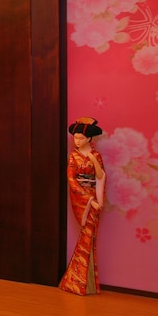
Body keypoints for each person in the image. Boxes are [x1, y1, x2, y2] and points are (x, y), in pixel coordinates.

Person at [59, 117, 106, 295]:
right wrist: (89, 200)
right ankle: (78, 281)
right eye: (75, 138)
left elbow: (101, 176)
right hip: (84, 199)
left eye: (80, 138)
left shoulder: (96, 155)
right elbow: (71, 180)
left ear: (89, 139)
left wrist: (93, 160)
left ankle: (81, 281)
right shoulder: (73, 157)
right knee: (87, 235)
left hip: (94, 194)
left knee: (90, 236)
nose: (77, 141)